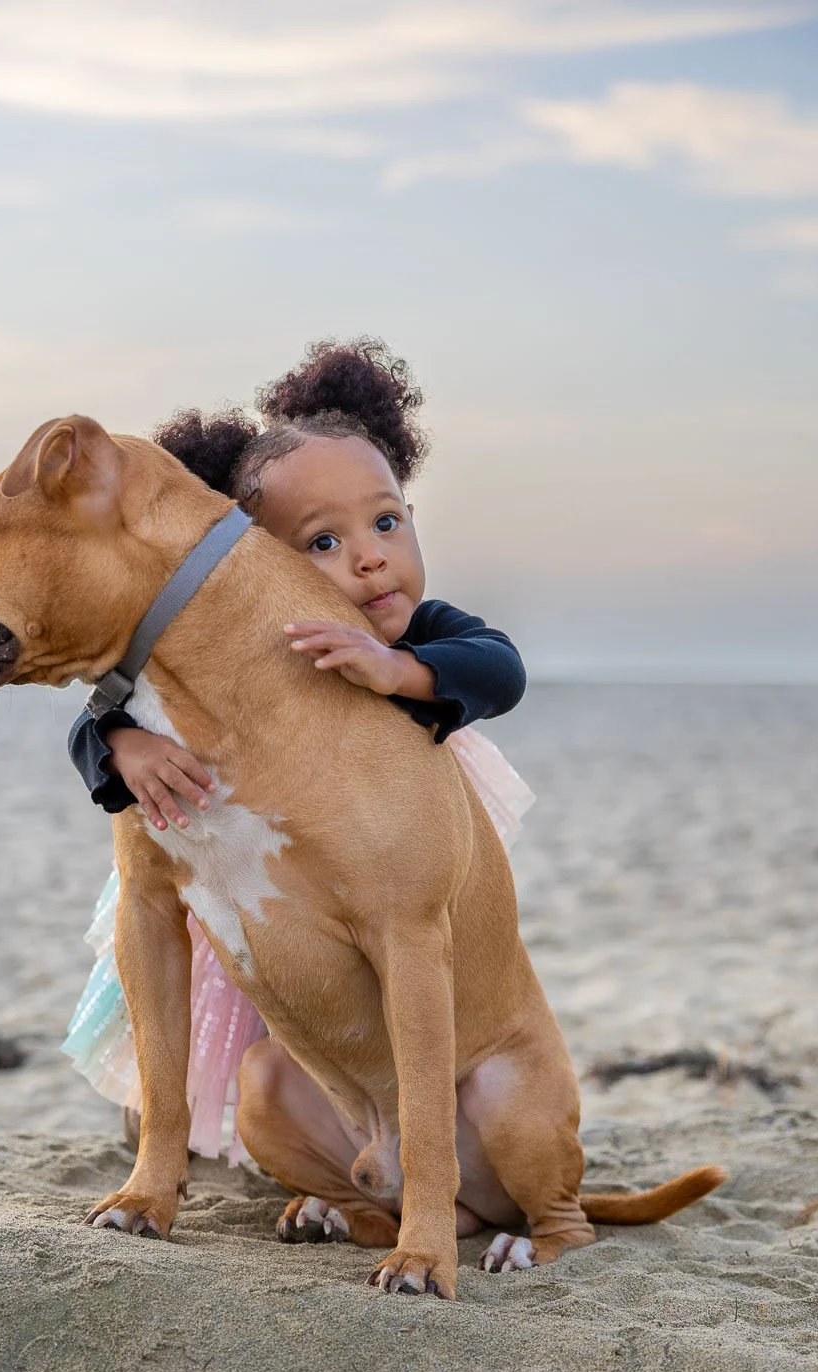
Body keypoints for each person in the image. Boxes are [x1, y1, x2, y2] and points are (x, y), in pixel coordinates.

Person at [62, 339, 535, 1161]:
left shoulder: (418, 628)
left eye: (386, 523)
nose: (368, 556)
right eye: (322, 544)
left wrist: (400, 669)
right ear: (254, 567)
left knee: (362, 984)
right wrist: (124, 744)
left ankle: (383, 1139)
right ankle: (189, 1130)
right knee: (229, 1013)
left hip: (372, 844)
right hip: (234, 873)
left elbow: (500, 667)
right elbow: (100, 710)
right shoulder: (227, 662)